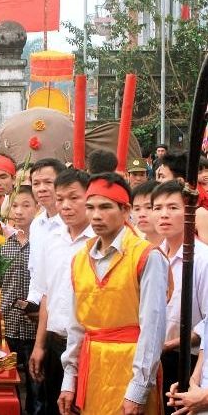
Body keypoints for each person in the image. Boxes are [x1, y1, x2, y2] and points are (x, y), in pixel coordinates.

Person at [58, 173, 167, 415]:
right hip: (92, 368)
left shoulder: (147, 256)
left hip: (130, 368)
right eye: (90, 207)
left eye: (105, 207)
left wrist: (138, 389)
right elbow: (76, 327)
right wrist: (69, 379)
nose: (96, 216)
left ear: (126, 210)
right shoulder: (79, 260)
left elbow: (153, 327)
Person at [28, 168, 95, 414]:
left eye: (74, 198)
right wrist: (39, 346)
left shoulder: (100, 241)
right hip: (57, 342)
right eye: (60, 199)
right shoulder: (52, 239)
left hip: (91, 346)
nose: (66, 205)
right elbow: (47, 295)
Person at [152, 179, 208, 412]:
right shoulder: (153, 255)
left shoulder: (202, 259)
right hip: (155, 357)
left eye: (173, 208)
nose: (164, 214)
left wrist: (171, 344)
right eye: (157, 208)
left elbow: (207, 322)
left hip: (189, 359)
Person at [0, 185, 41, 415]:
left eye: (26, 205)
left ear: (37, 207)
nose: (19, 211)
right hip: (9, 324)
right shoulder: (3, 243)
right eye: (15, 205)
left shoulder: (43, 244)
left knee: (36, 389)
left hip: (35, 328)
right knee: (7, 385)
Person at [27, 158, 66, 305]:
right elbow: (35, 271)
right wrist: (32, 302)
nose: (41, 188)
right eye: (36, 183)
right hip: (40, 307)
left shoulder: (72, 224)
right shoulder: (36, 224)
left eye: (48, 182)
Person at [130, 180, 162, 244]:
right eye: (137, 209)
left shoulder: (183, 248)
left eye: (149, 207)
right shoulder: (133, 244)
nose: (141, 214)